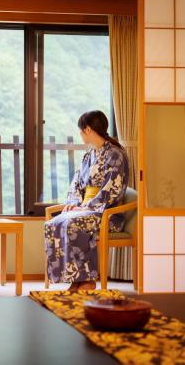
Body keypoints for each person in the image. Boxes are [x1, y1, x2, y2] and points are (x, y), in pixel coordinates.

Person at [44, 110, 128, 292]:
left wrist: (85, 207)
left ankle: (88, 279)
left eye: (81, 130)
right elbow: (76, 183)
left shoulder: (115, 154)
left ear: (88, 130)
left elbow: (112, 190)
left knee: (74, 223)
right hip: (86, 209)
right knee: (54, 223)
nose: (80, 134)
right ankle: (75, 279)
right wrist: (74, 202)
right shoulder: (89, 155)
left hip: (106, 213)